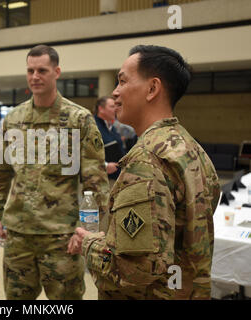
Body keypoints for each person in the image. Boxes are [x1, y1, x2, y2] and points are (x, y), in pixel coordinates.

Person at [68, 45, 220, 300]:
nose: (115, 93)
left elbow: (134, 269)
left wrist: (89, 243)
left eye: (122, 81)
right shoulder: (191, 149)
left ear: (152, 89)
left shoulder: (145, 161)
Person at [0, 44, 109, 300]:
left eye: (42, 70)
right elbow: (2, 173)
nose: (35, 76)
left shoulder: (79, 119)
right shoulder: (13, 119)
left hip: (62, 238)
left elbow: (95, 184)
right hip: (18, 236)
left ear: (57, 72)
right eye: (30, 70)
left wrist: (85, 231)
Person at [94, 96, 125, 179]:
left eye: (116, 106)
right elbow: (85, 151)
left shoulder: (112, 127)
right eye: (112, 106)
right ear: (101, 109)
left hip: (117, 176)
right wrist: (105, 165)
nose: (115, 109)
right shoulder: (92, 126)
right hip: (101, 178)